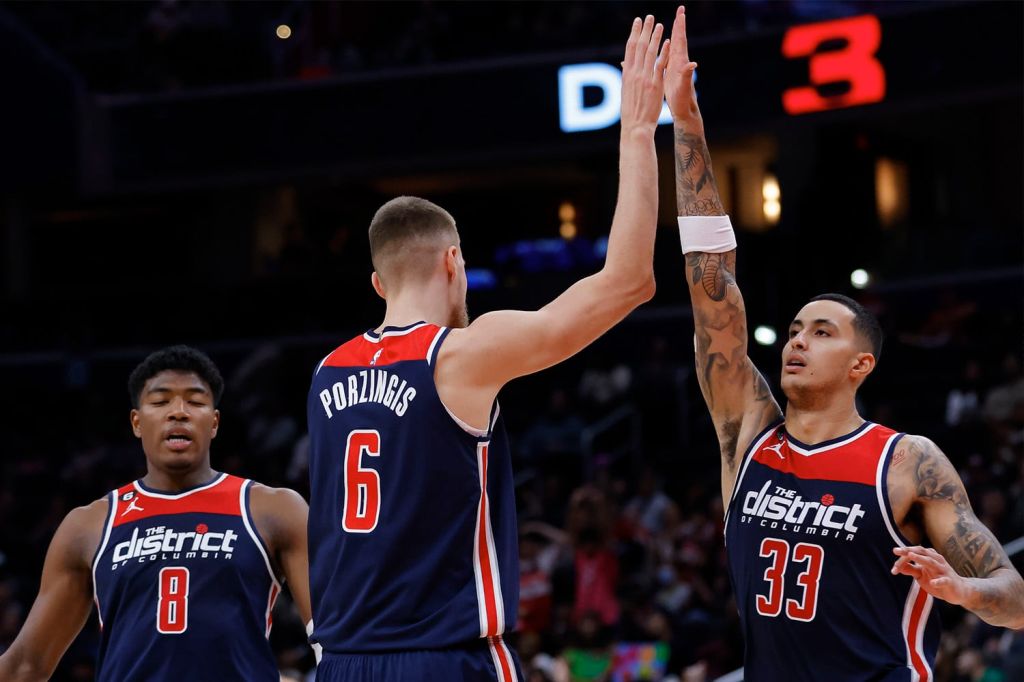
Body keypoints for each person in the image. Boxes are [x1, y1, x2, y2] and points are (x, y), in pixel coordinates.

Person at [663, 6, 1024, 681]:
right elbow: (712, 294)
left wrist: (964, 591)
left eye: (821, 332)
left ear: (862, 364)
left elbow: (1015, 596)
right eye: (795, 329)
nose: (797, 342)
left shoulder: (908, 461)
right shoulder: (748, 435)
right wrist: (687, 125)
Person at [305, 15, 668, 682]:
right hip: (446, 655)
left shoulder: (328, 373)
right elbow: (630, 282)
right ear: (453, 262)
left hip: (344, 659)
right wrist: (639, 131)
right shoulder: (462, 354)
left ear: (379, 281)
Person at [0, 345, 313, 681]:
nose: (178, 412)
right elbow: (27, 664)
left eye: (194, 401)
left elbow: (335, 635)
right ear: (137, 422)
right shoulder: (89, 524)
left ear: (214, 423)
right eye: (161, 401)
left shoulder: (273, 508)